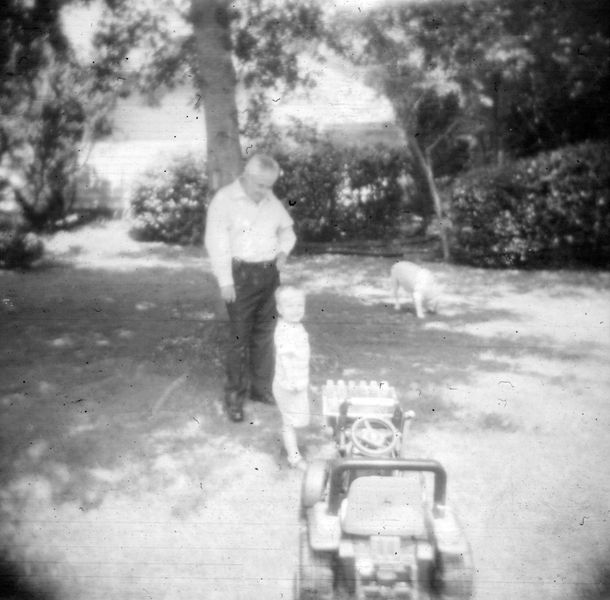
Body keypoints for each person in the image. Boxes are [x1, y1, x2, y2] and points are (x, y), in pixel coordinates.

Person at [204, 154, 296, 422]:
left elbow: (288, 231)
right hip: (240, 276)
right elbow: (216, 243)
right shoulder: (224, 200)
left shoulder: (271, 201)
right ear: (245, 177)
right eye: (261, 186)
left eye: (270, 186)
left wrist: (282, 253)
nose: (266, 192)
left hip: (269, 276)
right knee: (238, 337)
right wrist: (225, 281)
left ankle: (260, 389)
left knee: (265, 334)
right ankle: (234, 394)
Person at [273, 286, 310, 471]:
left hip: (297, 382)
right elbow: (285, 359)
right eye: (290, 306)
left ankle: (293, 451)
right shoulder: (285, 331)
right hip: (287, 384)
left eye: (299, 305)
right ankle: (294, 457)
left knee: (298, 419)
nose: (296, 310)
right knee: (289, 422)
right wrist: (293, 381)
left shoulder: (296, 326)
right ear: (280, 309)